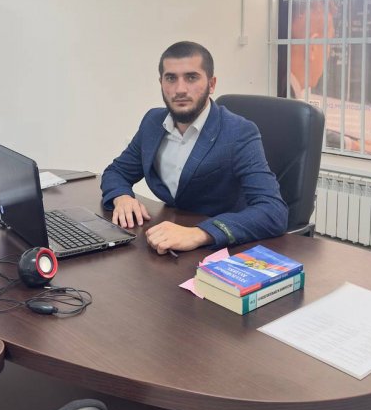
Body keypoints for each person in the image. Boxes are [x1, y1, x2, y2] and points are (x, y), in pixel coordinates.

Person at [101, 41, 288, 254]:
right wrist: (122, 197)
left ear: (212, 84)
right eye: (171, 78)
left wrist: (199, 233)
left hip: (222, 251)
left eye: (191, 77)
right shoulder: (153, 122)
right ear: (161, 83)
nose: (180, 89)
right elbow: (117, 172)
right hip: (167, 242)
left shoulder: (239, 132)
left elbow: (273, 211)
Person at [289, 0, 371, 154]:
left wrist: (354, 145)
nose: (329, 54)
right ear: (313, 48)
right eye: (328, 43)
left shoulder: (280, 91)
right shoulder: (288, 104)